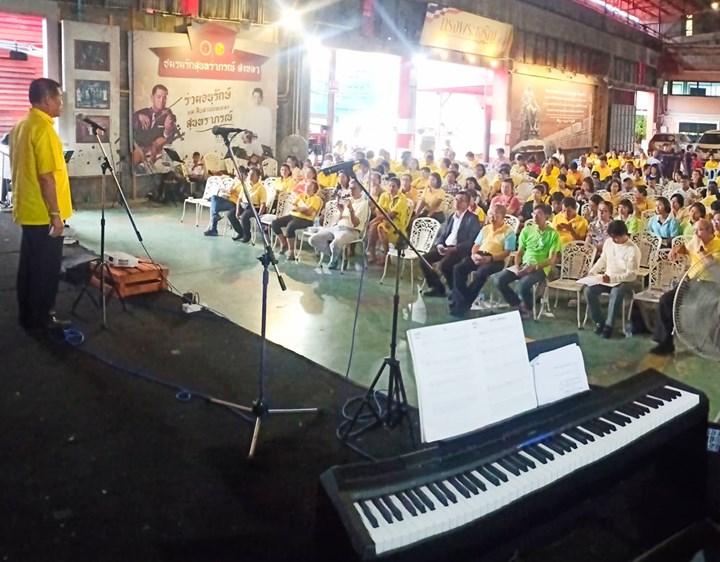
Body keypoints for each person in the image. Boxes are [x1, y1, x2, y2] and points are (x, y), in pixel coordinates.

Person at [11, 78, 72, 334]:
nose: (61, 104)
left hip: (28, 209)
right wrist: (56, 215)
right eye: (59, 99)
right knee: (46, 269)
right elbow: (46, 177)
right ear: (47, 100)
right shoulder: (44, 130)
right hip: (44, 213)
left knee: (29, 266)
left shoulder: (22, 125)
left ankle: (27, 315)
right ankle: (43, 319)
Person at [651, 219, 720, 355]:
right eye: (694, 230)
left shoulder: (718, 244)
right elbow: (685, 248)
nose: (696, 234)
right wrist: (676, 250)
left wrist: (700, 250)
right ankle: (665, 342)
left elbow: (712, 265)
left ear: (710, 231)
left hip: (710, 285)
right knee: (666, 300)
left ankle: (708, 344)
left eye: (699, 230)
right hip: (691, 282)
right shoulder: (694, 241)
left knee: (702, 310)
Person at [495, 205, 560, 318]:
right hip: (524, 264)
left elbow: (551, 260)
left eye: (539, 214)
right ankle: (518, 304)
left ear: (547, 216)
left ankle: (528, 308)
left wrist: (534, 266)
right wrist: (517, 266)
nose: (535, 216)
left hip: (540, 268)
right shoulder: (527, 230)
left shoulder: (553, 234)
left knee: (523, 285)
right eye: (534, 214)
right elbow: (519, 252)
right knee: (499, 280)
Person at [450, 204, 516, 316]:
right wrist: (474, 255)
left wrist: (490, 259)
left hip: (495, 260)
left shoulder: (509, 232)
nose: (492, 217)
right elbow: (476, 245)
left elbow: (506, 252)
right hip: (479, 255)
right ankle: (464, 300)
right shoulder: (485, 229)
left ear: (503, 216)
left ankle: (462, 304)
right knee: (458, 268)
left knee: (481, 272)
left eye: (495, 215)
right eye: (490, 214)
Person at [584, 220, 640, 338]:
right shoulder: (609, 242)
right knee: (589, 290)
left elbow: (631, 275)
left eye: (616, 237)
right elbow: (603, 259)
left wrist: (612, 278)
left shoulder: (632, 250)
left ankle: (609, 326)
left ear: (624, 234)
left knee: (616, 292)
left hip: (624, 281)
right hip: (607, 278)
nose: (614, 240)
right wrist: (593, 271)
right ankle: (600, 321)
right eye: (612, 237)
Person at [420, 191, 481, 298]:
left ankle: (455, 290)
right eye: (456, 199)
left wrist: (454, 249)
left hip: (460, 250)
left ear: (467, 204)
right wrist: (439, 245)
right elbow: (443, 234)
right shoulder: (451, 216)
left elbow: (471, 241)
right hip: (445, 247)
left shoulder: (472, 219)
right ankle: (437, 288)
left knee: (445, 265)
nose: (457, 202)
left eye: (461, 200)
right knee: (424, 259)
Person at [309, 180, 370, 270]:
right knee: (313, 239)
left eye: (354, 188)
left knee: (335, 244)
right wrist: (341, 210)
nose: (351, 191)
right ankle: (337, 256)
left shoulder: (364, 204)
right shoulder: (349, 200)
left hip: (352, 231)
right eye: (350, 188)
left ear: (361, 189)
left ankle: (334, 260)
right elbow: (340, 219)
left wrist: (351, 209)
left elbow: (355, 224)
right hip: (338, 227)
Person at [272, 180, 323, 261]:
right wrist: (301, 209)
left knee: (290, 227)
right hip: (293, 215)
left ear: (314, 189)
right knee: (275, 223)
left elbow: (309, 213)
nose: (307, 188)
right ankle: (283, 243)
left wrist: (298, 209)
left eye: (310, 187)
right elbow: (293, 206)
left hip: (306, 220)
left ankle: (291, 251)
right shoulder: (301, 196)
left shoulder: (316, 199)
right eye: (306, 186)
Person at [132, 84, 178, 169]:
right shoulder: (142, 113)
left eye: (164, 98)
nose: (161, 101)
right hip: (139, 155)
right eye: (158, 97)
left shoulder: (168, 115)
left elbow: (169, 137)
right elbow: (128, 123)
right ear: (152, 97)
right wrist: (138, 116)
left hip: (157, 158)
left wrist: (167, 131)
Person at [235, 168, 268, 243]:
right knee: (230, 214)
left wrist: (259, 214)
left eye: (253, 174)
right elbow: (239, 199)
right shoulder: (246, 185)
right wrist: (237, 210)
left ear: (258, 177)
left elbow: (263, 203)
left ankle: (247, 236)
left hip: (254, 208)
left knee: (244, 217)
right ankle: (240, 232)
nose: (250, 176)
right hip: (244, 205)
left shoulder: (261, 188)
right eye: (249, 174)